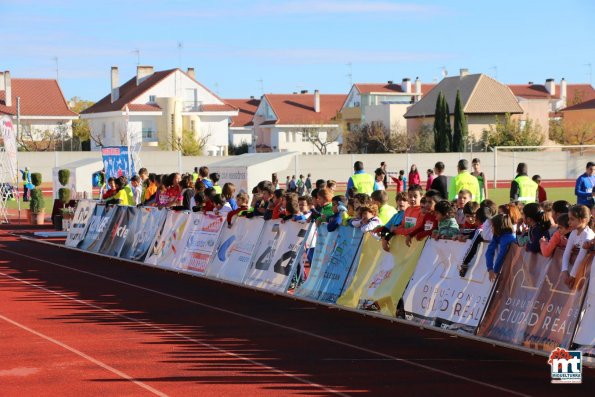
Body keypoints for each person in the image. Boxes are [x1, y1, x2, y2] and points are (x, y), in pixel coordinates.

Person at [562, 205, 594, 288]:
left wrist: (572, 275)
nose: (568, 222)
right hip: (578, 271)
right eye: (569, 219)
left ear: (582, 220)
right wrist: (564, 270)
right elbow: (567, 252)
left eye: (572, 219)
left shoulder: (588, 235)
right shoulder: (573, 233)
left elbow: (581, 256)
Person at [485, 214, 517, 282]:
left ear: (499, 227)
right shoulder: (497, 235)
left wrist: (495, 271)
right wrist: (490, 269)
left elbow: (501, 255)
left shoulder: (508, 238)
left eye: (493, 226)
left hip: (514, 270)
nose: (491, 228)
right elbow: (489, 252)